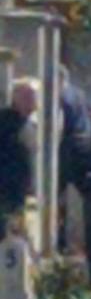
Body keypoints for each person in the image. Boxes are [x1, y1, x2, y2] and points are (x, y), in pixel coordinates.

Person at [57, 65, 91, 260]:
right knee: (81, 197)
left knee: (58, 194)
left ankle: (63, 240)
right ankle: (80, 242)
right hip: (85, 144)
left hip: (68, 147)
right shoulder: (79, 94)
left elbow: (60, 125)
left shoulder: (61, 97)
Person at [0, 81, 36, 235]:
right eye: (28, 97)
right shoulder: (4, 121)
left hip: (19, 191)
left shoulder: (29, 124)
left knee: (16, 233)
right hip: (5, 189)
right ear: (16, 98)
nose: (33, 102)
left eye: (34, 97)